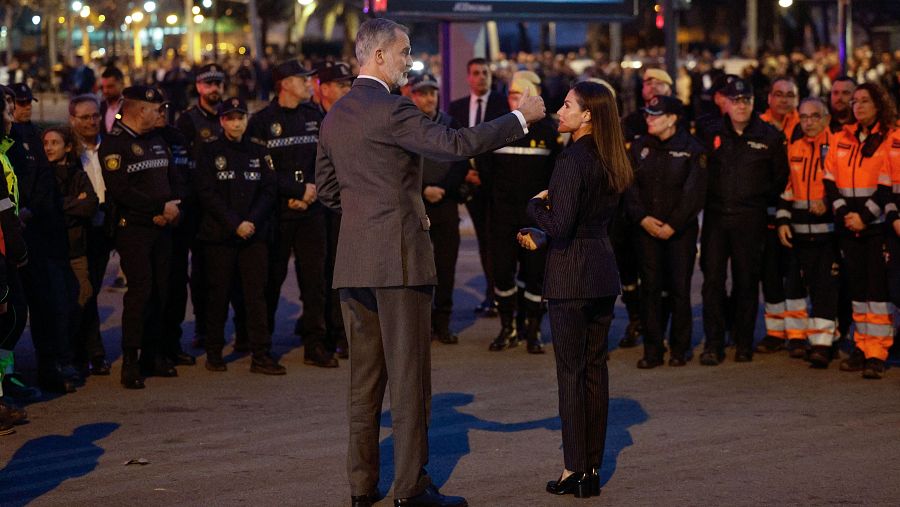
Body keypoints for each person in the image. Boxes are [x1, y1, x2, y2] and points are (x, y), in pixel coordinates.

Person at [315, 18, 544, 507]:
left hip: (354, 263)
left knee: (363, 383)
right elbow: (456, 145)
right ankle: (410, 489)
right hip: (399, 262)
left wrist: (366, 218)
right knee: (410, 380)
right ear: (377, 56)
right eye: (403, 52)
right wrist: (521, 119)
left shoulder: (335, 115)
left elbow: (330, 192)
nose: (409, 61)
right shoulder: (393, 109)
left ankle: (361, 487)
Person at [519, 80, 631, 498]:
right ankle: (592, 470)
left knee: (571, 373)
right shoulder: (611, 157)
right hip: (602, 272)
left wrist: (536, 206)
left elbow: (560, 225)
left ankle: (574, 469)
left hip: (570, 277)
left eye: (567, 106)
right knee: (595, 371)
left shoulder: (571, 160)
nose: (559, 112)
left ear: (588, 115)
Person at [249, 59, 336, 368]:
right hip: (278, 211)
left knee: (315, 282)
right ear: (285, 83)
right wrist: (295, 192)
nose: (308, 84)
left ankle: (315, 344)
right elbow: (261, 168)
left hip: (312, 210)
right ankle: (262, 347)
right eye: (302, 79)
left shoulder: (314, 115)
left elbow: (326, 159)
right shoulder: (262, 121)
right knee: (271, 281)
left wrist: (311, 189)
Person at [698, 78, 789, 365]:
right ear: (726, 102)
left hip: (750, 219)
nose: (741, 106)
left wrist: (757, 201)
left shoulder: (769, 137)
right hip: (716, 218)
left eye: (746, 101)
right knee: (712, 282)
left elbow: (779, 179)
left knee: (746, 282)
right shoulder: (711, 133)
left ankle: (743, 341)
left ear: (753, 103)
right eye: (735, 100)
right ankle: (714, 343)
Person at [99, 85, 183, 389]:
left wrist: (173, 207)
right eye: (156, 109)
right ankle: (131, 361)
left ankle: (153, 353)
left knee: (162, 290)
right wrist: (157, 208)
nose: (161, 114)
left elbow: (174, 181)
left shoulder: (158, 140)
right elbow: (122, 190)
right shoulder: (114, 144)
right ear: (140, 110)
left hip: (163, 226)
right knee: (140, 292)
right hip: (133, 229)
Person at [194, 97, 282, 374]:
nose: (236, 123)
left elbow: (269, 190)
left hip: (253, 235)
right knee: (217, 295)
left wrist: (251, 222)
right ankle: (214, 352)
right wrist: (235, 224)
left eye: (240, 117)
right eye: (230, 118)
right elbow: (206, 193)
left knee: (256, 297)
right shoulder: (209, 151)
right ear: (221, 121)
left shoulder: (258, 150)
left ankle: (261, 355)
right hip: (221, 235)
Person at [625, 95, 707, 368]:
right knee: (650, 290)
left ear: (672, 119)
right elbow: (629, 187)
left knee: (679, 290)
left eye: (655, 115)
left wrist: (673, 224)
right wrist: (642, 218)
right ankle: (652, 348)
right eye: (648, 114)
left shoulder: (692, 148)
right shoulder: (639, 146)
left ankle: (679, 347)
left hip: (679, 232)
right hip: (646, 229)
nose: (649, 119)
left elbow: (694, 192)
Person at [824, 82, 895, 379]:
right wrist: (844, 215)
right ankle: (861, 345)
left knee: (877, 292)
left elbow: (887, 186)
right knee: (857, 289)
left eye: (865, 101)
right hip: (848, 226)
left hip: (877, 227)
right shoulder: (842, 138)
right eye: (855, 102)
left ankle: (877, 352)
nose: (858, 106)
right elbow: (829, 180)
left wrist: (864, 217)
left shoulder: (892, 138)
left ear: (879, 104)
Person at [487, 71, 561, 354]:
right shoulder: (499, 130)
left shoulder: (547, 134)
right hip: (503, 216)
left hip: (535, 218)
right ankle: (508, 327)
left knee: (534, 275)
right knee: (503, 273)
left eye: (519, 95)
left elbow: (554, 176)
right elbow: (487, 171)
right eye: (511, 95)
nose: (513, 100)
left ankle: (533, 329)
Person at [775, 97, 839, 368]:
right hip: (798, 231)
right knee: (794, 287)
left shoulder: (837, 146)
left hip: (827, 232)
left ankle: (822, 345)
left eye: (814, 116)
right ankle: (797, 338)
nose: (809, 122)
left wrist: (827, 202)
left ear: (825, 118)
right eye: (804, 117)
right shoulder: (794, 147)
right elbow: (787, 187)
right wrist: (782, 220)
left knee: (825, 288)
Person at [448, 57, 510, 317]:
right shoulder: (457, 108)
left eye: (485, 72)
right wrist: (466, 173)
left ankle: (496, 293)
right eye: (476, 73)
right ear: (468, 77)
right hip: (470, 183)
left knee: (495, 239)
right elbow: (453, 145)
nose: (481, 77)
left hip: (495, 183)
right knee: (484, 239)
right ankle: (491, 291)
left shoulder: (502, 104)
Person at [409, 73, 468, 345]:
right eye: (423, 93)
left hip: (445, 204)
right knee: (414, 268)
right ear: (412, 95)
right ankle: (419, 325)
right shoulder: (405, 125)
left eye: (433, 92)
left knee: (446, 266)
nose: (429, 98)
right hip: (415, 205)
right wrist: (423, 189)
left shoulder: (450, 123)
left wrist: (443, 188)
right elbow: (400, 165)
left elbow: (461, 160)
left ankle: (442, 323)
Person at [175, 62, 226, 349]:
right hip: (197, 207)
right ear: (198, 87)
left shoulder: (228, 116)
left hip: (224, 203)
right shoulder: (188, 120)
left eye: (218, 83)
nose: (214, 88)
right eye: (209, 83)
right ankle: (203, 326)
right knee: (201, 271)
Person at [43, 126, 100, 376]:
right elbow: (46, 207)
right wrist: (72, 203)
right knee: (58, 305)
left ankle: (75, 351)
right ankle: (61, 358)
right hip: (52, 250)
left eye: (55, 143)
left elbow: (90, 204)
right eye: (46, 143)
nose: (49, 148)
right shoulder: (42, 175)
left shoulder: (77, 173)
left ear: (67, 147)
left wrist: (64, 206)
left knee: (83, 297)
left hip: (77, 249)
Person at [313, 60, 355, 358]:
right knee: (318, 276)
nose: (348, 89)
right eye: (341, 85)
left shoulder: (353, 118)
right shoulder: (310, 119)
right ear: (324, 88)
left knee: (344, 274)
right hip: (313, 210)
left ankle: (343, 334)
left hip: (344, 207)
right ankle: (319, 334)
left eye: (349, 84)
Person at [68, 94, 111, 376]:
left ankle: (90, 351)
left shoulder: (109, 148)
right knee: (84, 291)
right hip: (79, 229)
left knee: (92, 289)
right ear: (73, 120)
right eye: (85, 117)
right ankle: (87, 352)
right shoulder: (71, 154)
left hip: (106, 225)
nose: (91, 122)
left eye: (95, 116)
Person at [756, 77, 801, 354]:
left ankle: (796, 334)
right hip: (764, 210)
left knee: (795, 274)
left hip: (797, 210)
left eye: (789, 95)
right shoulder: (757, 125)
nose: (784, 100)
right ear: (769, 97)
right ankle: (775, 332)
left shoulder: (807, 121)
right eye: (779, 94)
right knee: (769, 273)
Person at [99, 66, 125, 134]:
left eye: (110, 86)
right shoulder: (100, 107)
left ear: (121, 84)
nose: (105, 91)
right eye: (103, 87)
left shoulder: (129, 107)